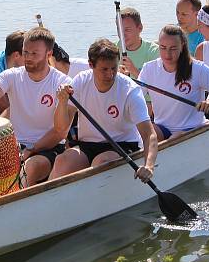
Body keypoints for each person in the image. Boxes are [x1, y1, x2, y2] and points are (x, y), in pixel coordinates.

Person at [48, 39, 158, 181]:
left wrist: (149, 166)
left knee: (101, 163)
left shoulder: (130, 90)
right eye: (104, 69)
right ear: (91, 65)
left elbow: (149, 134)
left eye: (113, 68)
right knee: (62, 161)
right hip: (87, 145)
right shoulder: (81, 81)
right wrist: (62, 102)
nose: (110, 75)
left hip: (122, 145)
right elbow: (60, 129)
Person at [0, 27, 71, 186]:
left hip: (46, 149)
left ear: (48, 54)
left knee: (29, 168)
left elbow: (60, 132)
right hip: (14, 147)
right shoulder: (11, 76)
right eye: (26, 52)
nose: (28, 58)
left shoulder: (61, 83)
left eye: (34, 54)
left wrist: (31, 150)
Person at [138, 25, 209, 141]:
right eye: (163, 48)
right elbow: (134, 97)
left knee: (175, 138)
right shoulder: (149, 69)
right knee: (144, 133)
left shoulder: (197, 68)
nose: (167, 54)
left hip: (191, 128)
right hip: (162, 128)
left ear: (182, 46)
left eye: (173, 48)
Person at [116, 6, 159, 79]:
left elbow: (156, 85)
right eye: (119, 30)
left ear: (140, 28)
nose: (122, 35)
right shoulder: (111, 50)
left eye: (127, 30)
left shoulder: (154, 52)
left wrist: (133, 70)